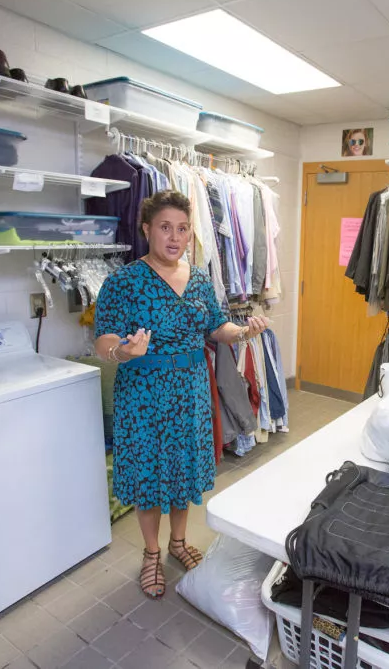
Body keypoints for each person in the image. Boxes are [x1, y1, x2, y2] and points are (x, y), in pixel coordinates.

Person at [93, 191, 269, 598]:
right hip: (144, 394)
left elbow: (215, 327)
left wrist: (243, 332)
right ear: (147, 230)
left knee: (181, 470)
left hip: (190, 390)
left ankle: (178, 541)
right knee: (149, 475)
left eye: (183, 228)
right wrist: (123, 350)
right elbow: (102, 343)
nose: (175, 237)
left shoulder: (201, 279)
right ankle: (152, 553)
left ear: (192, 233)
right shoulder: (123, 282)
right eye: (165, 227)